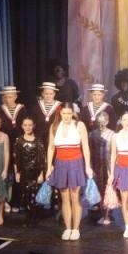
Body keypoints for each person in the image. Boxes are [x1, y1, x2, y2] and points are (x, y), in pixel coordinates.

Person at [46, 102, 93, 240]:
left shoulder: (79, 125)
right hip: (60, 163)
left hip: (75, 163)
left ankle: (76, 229)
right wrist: (48, 167)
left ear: (73, 113)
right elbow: (51, 148)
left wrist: (87, 166)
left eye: (69, 113)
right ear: (60, 113)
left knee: (75, 196)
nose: (66, 116)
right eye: (64, 113)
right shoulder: (54, 126)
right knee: (64, 198)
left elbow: (86, 147)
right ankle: (68, 228)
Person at [0, 85, 28, 213]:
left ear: (16, 96)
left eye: (10, 97)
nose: (8, 99)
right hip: (3, 145)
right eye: (5, 97)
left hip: (19, 146)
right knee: (4, 172)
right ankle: (4, 200)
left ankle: (17, 201)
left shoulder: (22, 110)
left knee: (19, 173)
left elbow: (27, 126)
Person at [13, 116, 46, 225]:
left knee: (35, 194)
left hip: (36, 172)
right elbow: (16, 158)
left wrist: (41, 174)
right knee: (26, 195)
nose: (27, 127)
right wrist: (17, 173)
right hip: (24, 173)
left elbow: (42, 158)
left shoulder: (38, 140)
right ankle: (28, 216)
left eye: (30, 125)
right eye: (25, 125)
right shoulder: (19, 141)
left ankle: (35, 216)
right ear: (22, 126)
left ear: (34, 126)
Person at [89, 111, 114, 225]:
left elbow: (115, 153)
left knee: (109, 190)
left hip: (108, 166)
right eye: (99, 122)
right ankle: (102, 213)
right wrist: (90, 166)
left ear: (108, 122)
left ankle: (107, 214)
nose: (101, 124)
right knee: (99, 190)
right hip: (96, 166)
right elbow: (90, 151)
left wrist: (113, 169)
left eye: (103, 122)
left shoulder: (112, 134)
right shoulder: (92, 134)